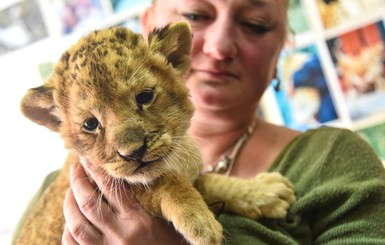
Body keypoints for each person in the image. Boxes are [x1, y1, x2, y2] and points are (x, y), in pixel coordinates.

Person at [13, 0, 385, 244]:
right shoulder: (59, 184)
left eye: (255, 24)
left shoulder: (336, 162)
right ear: (149, 25)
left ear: (285, 44)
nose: (219, 47)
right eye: (194, 15)